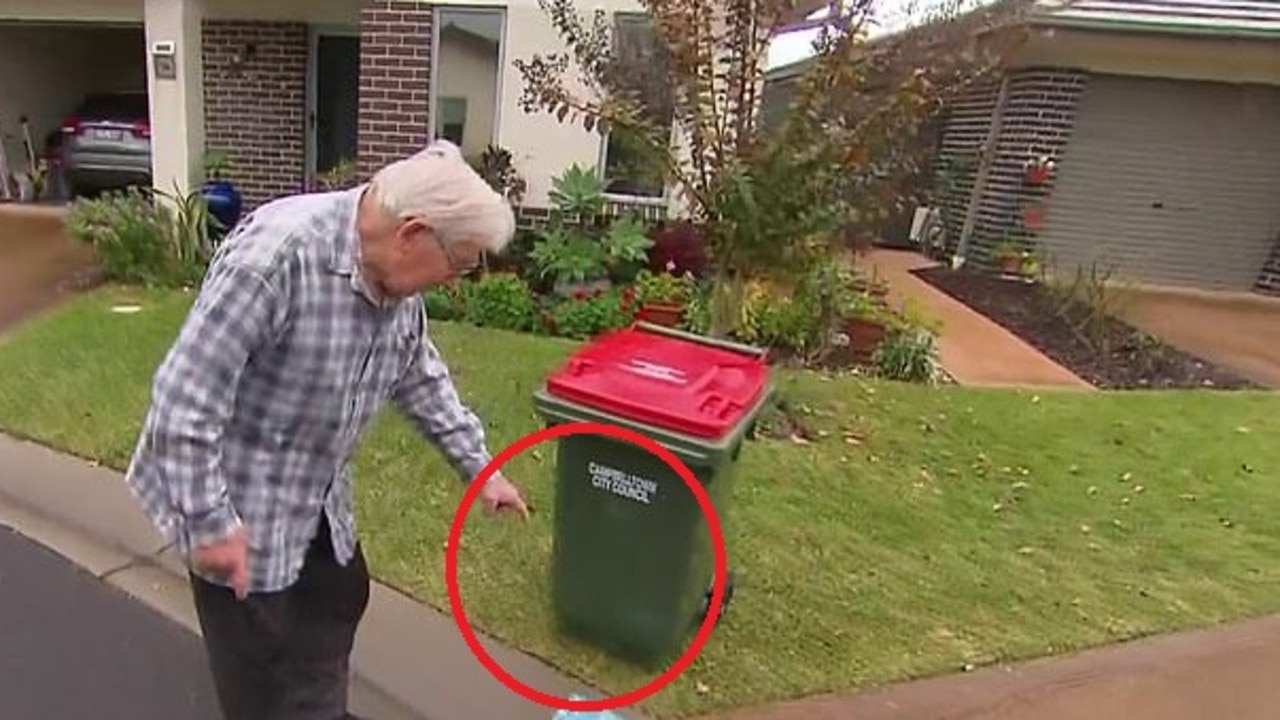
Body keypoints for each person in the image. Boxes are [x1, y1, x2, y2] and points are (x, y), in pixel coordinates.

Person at [123, 140, 530, 720]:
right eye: (459, 263)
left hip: (315, 498)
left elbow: (418, 374)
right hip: (235, 506)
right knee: (261, 670)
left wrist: (481, 469)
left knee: (339, 599)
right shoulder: (275, 259)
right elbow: (183, 402)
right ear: (412, 234)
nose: (455, 281)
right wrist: (209, 525)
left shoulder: (394, 282)